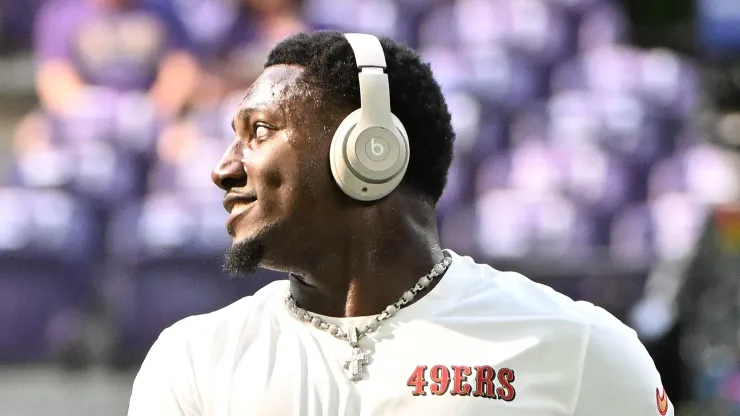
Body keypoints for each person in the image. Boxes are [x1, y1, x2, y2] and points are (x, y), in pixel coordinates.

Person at [128, 31, 674, 415]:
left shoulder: (576, 346)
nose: (223, 168)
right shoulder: (194, 359)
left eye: (260, 131)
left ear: (370, 152)